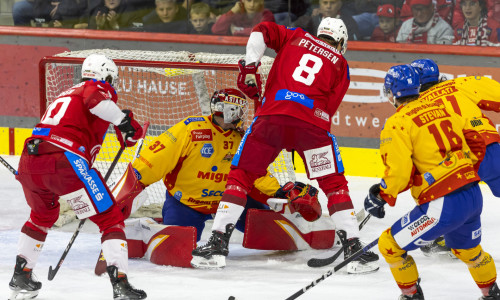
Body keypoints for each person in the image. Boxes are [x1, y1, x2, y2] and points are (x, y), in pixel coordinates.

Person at [190, 18, 380, 274]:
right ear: (341, 42)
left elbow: (261, 30)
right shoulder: (341, 64)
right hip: (312, 126)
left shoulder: (295, 36)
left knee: (240, 178)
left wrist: (249, 66)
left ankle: (216, 244)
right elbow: (329, 107)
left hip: (271, 119)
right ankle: (353, 247)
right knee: (334, 185)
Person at [8, 54, 147, 300]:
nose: (111, 86)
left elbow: (103, 118)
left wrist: (124, 126)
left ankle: (22, 274)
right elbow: (97, 100)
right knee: (109, 217)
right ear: (105, 74)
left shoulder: (67, 93)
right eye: (111, 80)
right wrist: (124, 123)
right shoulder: (95, 88)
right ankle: (121, 285)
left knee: (42, 216)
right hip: (65, 161)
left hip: (31, 162)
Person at [364, 63, 500, 300]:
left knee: (389, 245)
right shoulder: (443, 108)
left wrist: (381, 195)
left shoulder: (397, 123)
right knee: (468, 250)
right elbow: (475, 140)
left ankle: (411, 296)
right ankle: (491, 294)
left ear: (391, 93)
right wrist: (464, 170)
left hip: (444, 204)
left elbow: (399, 173)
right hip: (472, 195)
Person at [409, 59, 500, 257]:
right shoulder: (459, 84)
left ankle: (451, 238)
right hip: (486, 146)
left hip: (456, 162)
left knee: (452, 198)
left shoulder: (414, 106)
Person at [293, 0, 360, 41]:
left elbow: (354, 44)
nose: (328, 6)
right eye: (325, 3)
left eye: (332, 3)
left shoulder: (348, 22)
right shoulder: (312, 21)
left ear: (339, 5)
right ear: (320, 5)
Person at [211, 0, 276, 36]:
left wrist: (237, 31)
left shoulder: (266, 14)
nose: (252, 5)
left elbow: (261, 32)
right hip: (235, 49)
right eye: (249, 0)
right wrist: (231, 12)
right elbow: (216, 30)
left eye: (256, 1)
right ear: (243, 1)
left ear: (261, 2)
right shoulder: (236, 13)